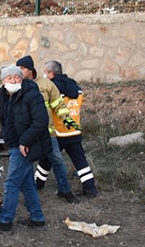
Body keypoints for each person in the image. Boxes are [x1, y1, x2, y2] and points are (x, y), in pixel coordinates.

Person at [16, 55, 81, 203]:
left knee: (57, 160)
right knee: (26, 162)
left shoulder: (46, 84)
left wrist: (67, 119)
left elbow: (58, 104)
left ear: (30, 69)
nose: (19, 71)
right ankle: (29, 189)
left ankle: (64, 190)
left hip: (47, 132)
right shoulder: (17, 84)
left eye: (22, 68)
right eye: (18, 68)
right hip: (28, 133)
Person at [0, 65, 51, 232]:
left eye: (16, 77)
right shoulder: (3, 96)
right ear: (3, 81)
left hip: (26, 146)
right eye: (9, 78)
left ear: (22, 78)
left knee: (11, 183)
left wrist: (24, 142)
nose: (13, 80)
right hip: (14, 144)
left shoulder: (32, 95)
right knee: (27, 184)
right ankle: (37, 217)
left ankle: (5, 221)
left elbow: (40, 121)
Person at [36, 60, 98, 197]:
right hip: (74, 131)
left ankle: (37, 184)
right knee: (80, 162)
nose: (44, 75)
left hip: (57, 132)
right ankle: (90, 189)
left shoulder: (51, 88)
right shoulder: (74, 86)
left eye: (45, 72)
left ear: (51, 74)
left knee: (47, 158)